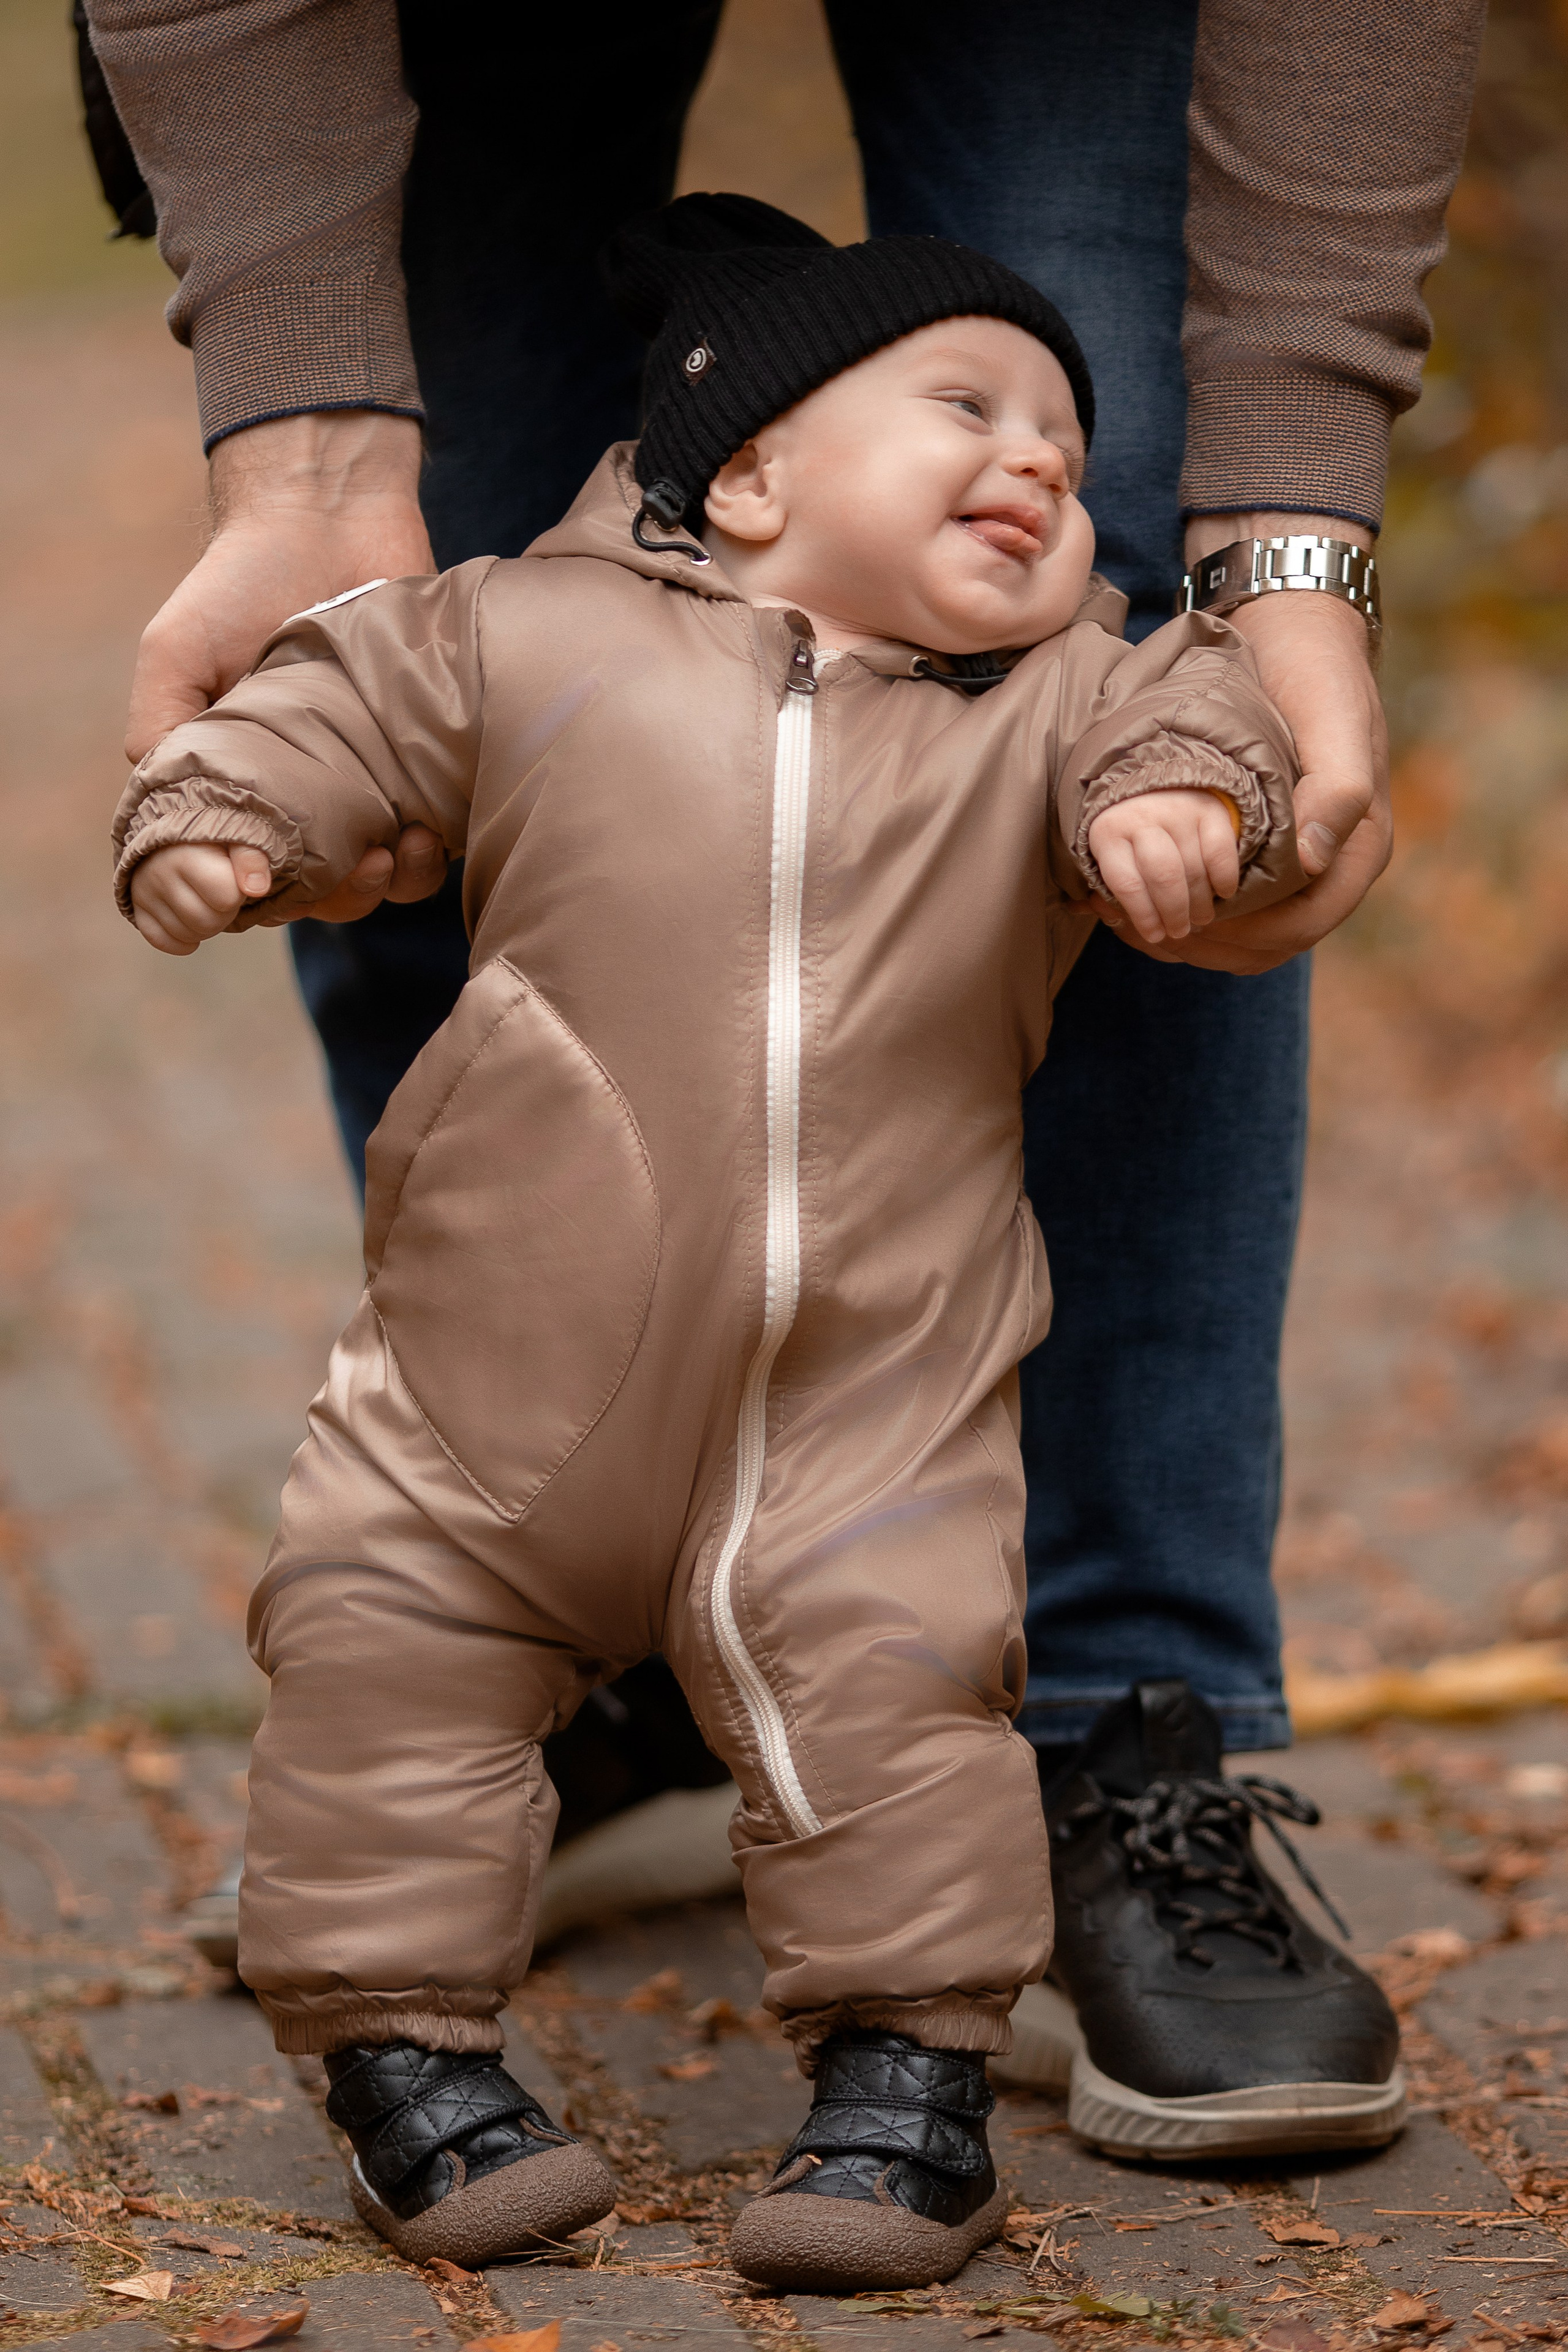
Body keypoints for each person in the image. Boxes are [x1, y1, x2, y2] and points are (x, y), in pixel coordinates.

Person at [82, 0, 1484, 2161]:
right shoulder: (529, 638)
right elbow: (363, 697)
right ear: (738, 480)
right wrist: (278, 577)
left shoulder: (1056, 696)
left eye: (1021, 423)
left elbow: (1181, 691)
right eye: (960, 411)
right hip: (529, 1378)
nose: (1021, 455)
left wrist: (1272, 578)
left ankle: (1116, 1726)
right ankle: (606, 1663)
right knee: (420, 529)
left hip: (891, 1405)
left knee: (1118, 520)